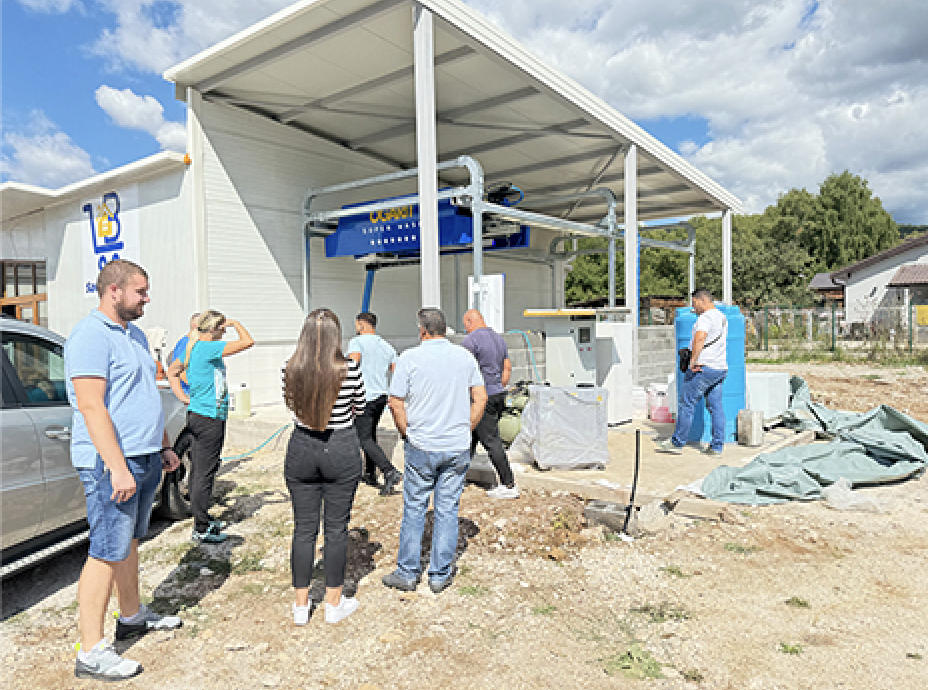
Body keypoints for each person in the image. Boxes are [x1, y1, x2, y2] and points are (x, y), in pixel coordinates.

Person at [65, 259, 182, 682]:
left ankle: (131, 616)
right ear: (114, 290)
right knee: (105, 551)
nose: (146, 299)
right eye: (140, 291)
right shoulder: (89, 336)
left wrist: (163, 444)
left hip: (144, 455)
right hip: (112, 463)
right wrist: (117, 467)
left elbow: (143, 394)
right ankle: (91, 651)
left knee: (129, 542)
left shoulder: (133, 334)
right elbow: (91, 406)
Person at [382, 308, 487, 594]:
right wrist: (467, 427)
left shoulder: (409, 358)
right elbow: (480, 397)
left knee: (415, 508)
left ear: (423, 330)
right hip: (456, 445)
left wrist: (406, 432)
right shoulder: (464, 357)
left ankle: (407, 572)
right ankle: (439, 575)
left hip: (422, 444)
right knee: (447, 510)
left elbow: (395, 402)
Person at [283, 308, 366, 625]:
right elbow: (359, 406)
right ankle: (333, 604)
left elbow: (290, 403)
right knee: (336, 529)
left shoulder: (289, 367)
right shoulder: (350, 369)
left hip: (302, 446)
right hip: (340, 447)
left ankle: (301, 606)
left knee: (303, 529)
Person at [166, 310, 254, 543]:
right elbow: (248, 342)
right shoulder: (207, 347)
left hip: (198, 414)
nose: (224, 332)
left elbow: (172, 372)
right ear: (214, 329)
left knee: (200, 471)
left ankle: (202, 517)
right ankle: (201, 528)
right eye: (222, 329)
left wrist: (184, 396)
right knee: (205, 473)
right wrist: (235, 323)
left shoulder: (192, 347)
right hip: (209, 418)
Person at [657, 289, 728, 455]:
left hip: (702, 368)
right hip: (719, 368)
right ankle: (717, 447)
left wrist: (693, 361)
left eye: (694, 303)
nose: (693, 307)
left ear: (702, 300)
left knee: (686, 404)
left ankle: (677, 443)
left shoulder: (705, 318)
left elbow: (700, 337)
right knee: (716, 408)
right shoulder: (721, 317)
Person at [460, 308, 518, 499]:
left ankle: (509, 484)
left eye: (465, 325)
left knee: (491, 441)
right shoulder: (499, 339)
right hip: (497, 394)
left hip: (480, 398)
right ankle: (456, 478)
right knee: (470, 437)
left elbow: (462, 370)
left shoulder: (470, 341)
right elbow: (507, 367)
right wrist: (498, 386)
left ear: (469, 321)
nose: (465, 329)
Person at [346, 312, 402, 496]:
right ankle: (370, 474)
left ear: (361, 325)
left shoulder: (357, 342)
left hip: (364, 397)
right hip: (381, 397)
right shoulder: (386, 346)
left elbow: (352, 364)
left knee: (362, 438)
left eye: (356, 324)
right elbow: (396, 371)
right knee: (369, 435)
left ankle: (389, 471)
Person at [166, 312, 200, 397]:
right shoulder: (186, 343)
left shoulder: (195, 343)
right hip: (187, 393)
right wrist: (198, 388)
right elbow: (178, 370)